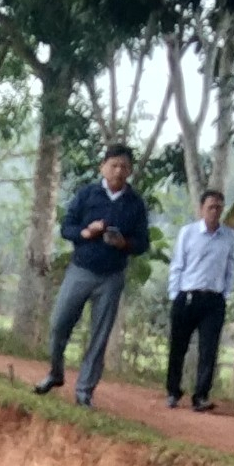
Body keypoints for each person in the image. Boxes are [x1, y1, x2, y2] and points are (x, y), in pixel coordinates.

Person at [34, 144, 151, 407]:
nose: (118, 171)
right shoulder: (88, 194)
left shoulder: (135, 204)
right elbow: (67, 228)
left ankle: (84, 391)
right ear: (103, 167)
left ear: (130, 170)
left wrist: (124, 244)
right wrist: (86, 233)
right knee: (59, 324)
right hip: (81, 270)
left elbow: (143, 243)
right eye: (114, 165)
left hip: (112, 275)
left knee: (99, 336)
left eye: (124, 166)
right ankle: (55, 372)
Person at [164, 186, 234, 411]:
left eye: (218, 207)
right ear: (202, 209)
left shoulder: (229, 236)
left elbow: (230, 267)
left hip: (213, 300)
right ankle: (173, 391)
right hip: (187, 296)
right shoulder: (188, 233)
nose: (215, 211)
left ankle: (201, 396)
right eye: (211, 207)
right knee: (179, 346)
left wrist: (225, 294)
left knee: (209, 349)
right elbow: (177, 264)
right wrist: (175, 294)